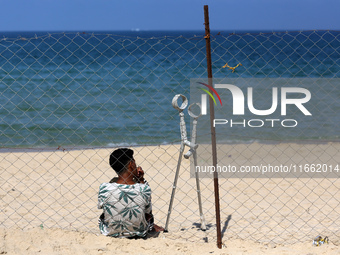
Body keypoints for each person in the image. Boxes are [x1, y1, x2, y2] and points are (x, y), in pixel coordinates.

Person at [98, 148, 164, 238]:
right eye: (134, 162)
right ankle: (152, 227)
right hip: (139, 232)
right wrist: (140, 180)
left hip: (111, 232)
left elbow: (102, 207)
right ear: (131, 164)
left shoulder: (104, 188)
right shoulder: (144, 188)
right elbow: (148, 212)